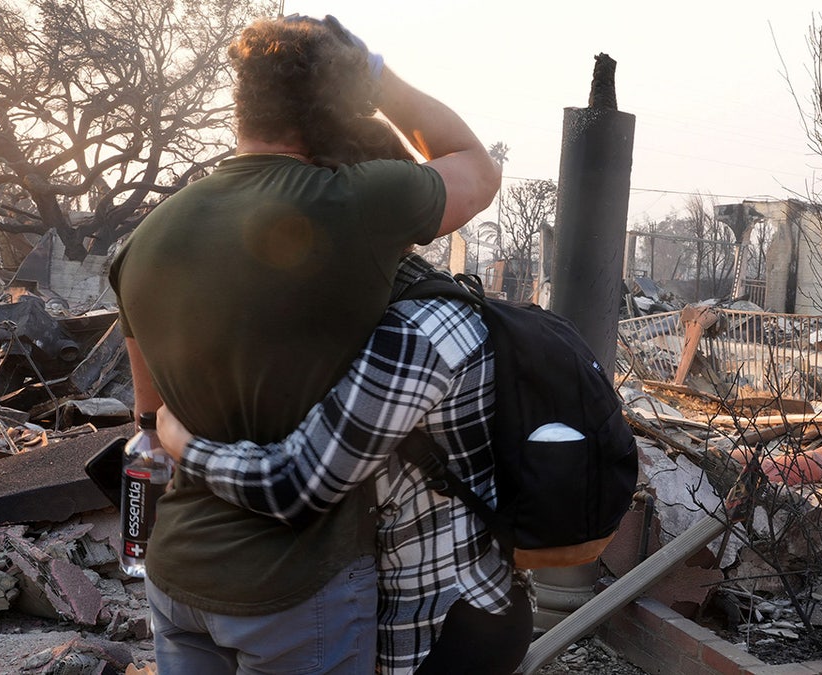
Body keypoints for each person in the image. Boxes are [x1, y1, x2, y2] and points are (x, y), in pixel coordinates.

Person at [108, 15, 499, 674]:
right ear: (335, 103)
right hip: (293, 590)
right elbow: (477, 172)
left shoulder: (143, 240)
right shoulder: (355, 204)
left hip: (176, 578)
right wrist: (381, 80)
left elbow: (150, 421)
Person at [156, 250, 533, 675]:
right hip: (456, 597)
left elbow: (297, 484)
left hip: (441, 622)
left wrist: (186, 447)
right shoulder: (398, 301)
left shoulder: (415, 332)